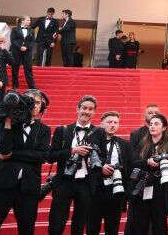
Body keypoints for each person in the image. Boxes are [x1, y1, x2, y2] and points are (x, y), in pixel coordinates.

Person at [0, 89, 51, 235]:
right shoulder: (8, 122)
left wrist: (14, 154)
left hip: (28, 188)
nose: (34, 105)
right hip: (1, 184)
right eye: (30, 101)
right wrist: (8, 122)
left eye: (37, 102)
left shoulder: (44, 130)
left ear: (42, 107)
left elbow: (42, 156)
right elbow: (4, 151)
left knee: (27, 230)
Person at [48, 95, 105, 235]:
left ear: (94, 112)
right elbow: (50, 156)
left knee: (79, 225)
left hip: (86, 183)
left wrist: (95, 161)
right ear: (77, 109)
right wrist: (73, 151)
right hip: (64, 182)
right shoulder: (63, 130)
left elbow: (104, 157)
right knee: (56, 223)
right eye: (84, 108)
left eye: (90, 109)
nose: (87, 111)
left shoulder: (100, 133)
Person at [128, 113, 168, 234]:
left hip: (162, 190)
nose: (152, 126)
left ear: (164, 128)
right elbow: (133, 163)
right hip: (143, 188)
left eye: (156, 124)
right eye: (151, 124)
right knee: (141, 226)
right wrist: (147, 161)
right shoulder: (141, 145)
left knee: (160, 226)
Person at [88, 111, 132, 235]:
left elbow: (129, 168)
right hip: (95, 190)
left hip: (116, 191)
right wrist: (100, 167)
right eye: (109, 122)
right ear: (101, 124)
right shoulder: (91, 142)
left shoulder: (125, 144)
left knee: (113, 229)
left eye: (115, 122)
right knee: (92, 228)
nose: (112, 125)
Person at [11, 16, 37, 89]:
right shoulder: (15, 29)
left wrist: (26, 47)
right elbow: (13, 40)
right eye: (28, 20)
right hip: (16, 51)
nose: (29, 21)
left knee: (28, 68)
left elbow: (32, 41)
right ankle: (15, 84)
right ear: (23, 21)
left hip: (27, 52)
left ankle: (31, 85)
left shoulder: (31, 30)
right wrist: (20, 47)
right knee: (15, 68)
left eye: (30, 20)